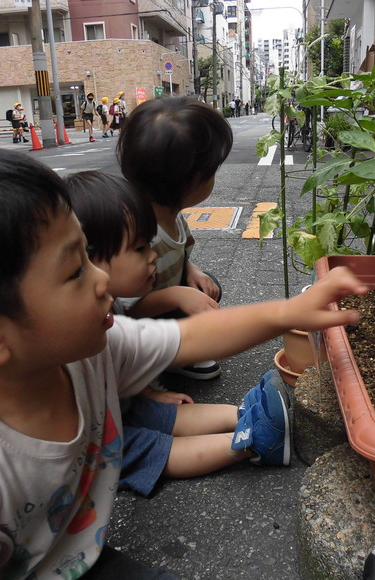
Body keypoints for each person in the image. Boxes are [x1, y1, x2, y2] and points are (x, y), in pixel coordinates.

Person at [0, 144, 365, 580]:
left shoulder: (89, 349)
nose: (102, 280)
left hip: (67, 565)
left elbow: (187, 338)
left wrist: (286, 313)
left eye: (90, 254)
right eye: (73, 269)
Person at [66, 170, 296, 497]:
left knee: (161, 412)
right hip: (92, 438)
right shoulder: (81, 323)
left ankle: (248, 414)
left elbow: (117, 365)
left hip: (112, 404)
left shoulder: (105, 308)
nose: (152, 257)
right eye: (140, 248)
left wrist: (148, 392)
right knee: (145, 446)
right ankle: (255, 443)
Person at [117, 96, 231, 380]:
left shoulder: (171, 211)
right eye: (211, 172)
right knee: (194, 300)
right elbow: (125, 311)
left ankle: (180, 347)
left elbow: (182, 254)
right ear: (189, 181)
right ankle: (171, 357)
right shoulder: (139, 232)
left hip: (164, 302)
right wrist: (177, 295)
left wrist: (192, 271)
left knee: (208, 286)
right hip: (140, 321)